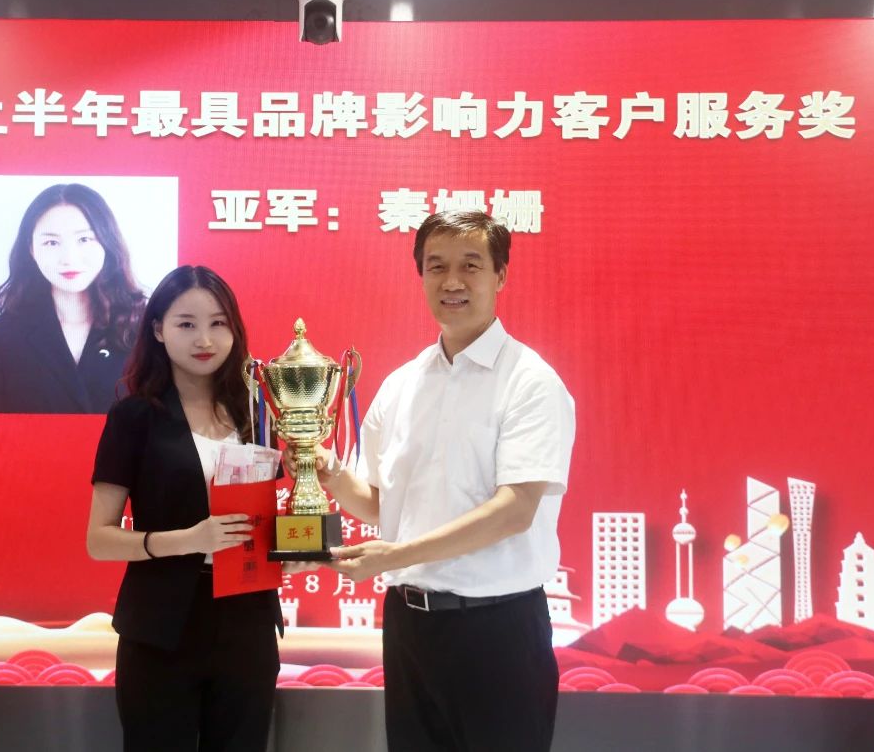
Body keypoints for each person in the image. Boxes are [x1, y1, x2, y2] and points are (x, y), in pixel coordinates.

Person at [323, 210, 576, 752]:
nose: (452, 281)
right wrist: (327, 472)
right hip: (409, 628)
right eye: (436, 267)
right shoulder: (402, 384)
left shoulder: (530, 382)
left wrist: (395, 556)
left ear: (500, 275)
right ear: (421, 276)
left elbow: (515, 510)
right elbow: (382, 505)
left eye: (471, 266)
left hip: (498, 629)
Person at [86, 265, 284, 752]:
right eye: (187, 324)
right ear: (158, 329)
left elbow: (265, 518)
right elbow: (100, 539)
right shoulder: (134, 416)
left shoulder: (257, 413)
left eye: (218, 323)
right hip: (161, 627)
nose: (205, 339)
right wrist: (190, 540)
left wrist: (295, 549)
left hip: (247, 622)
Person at [0, 183, 146, 414]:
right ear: (32, 250)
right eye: (51, 242)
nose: (69, 258)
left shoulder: (147, 329)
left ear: (107, 242)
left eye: (84, 239)